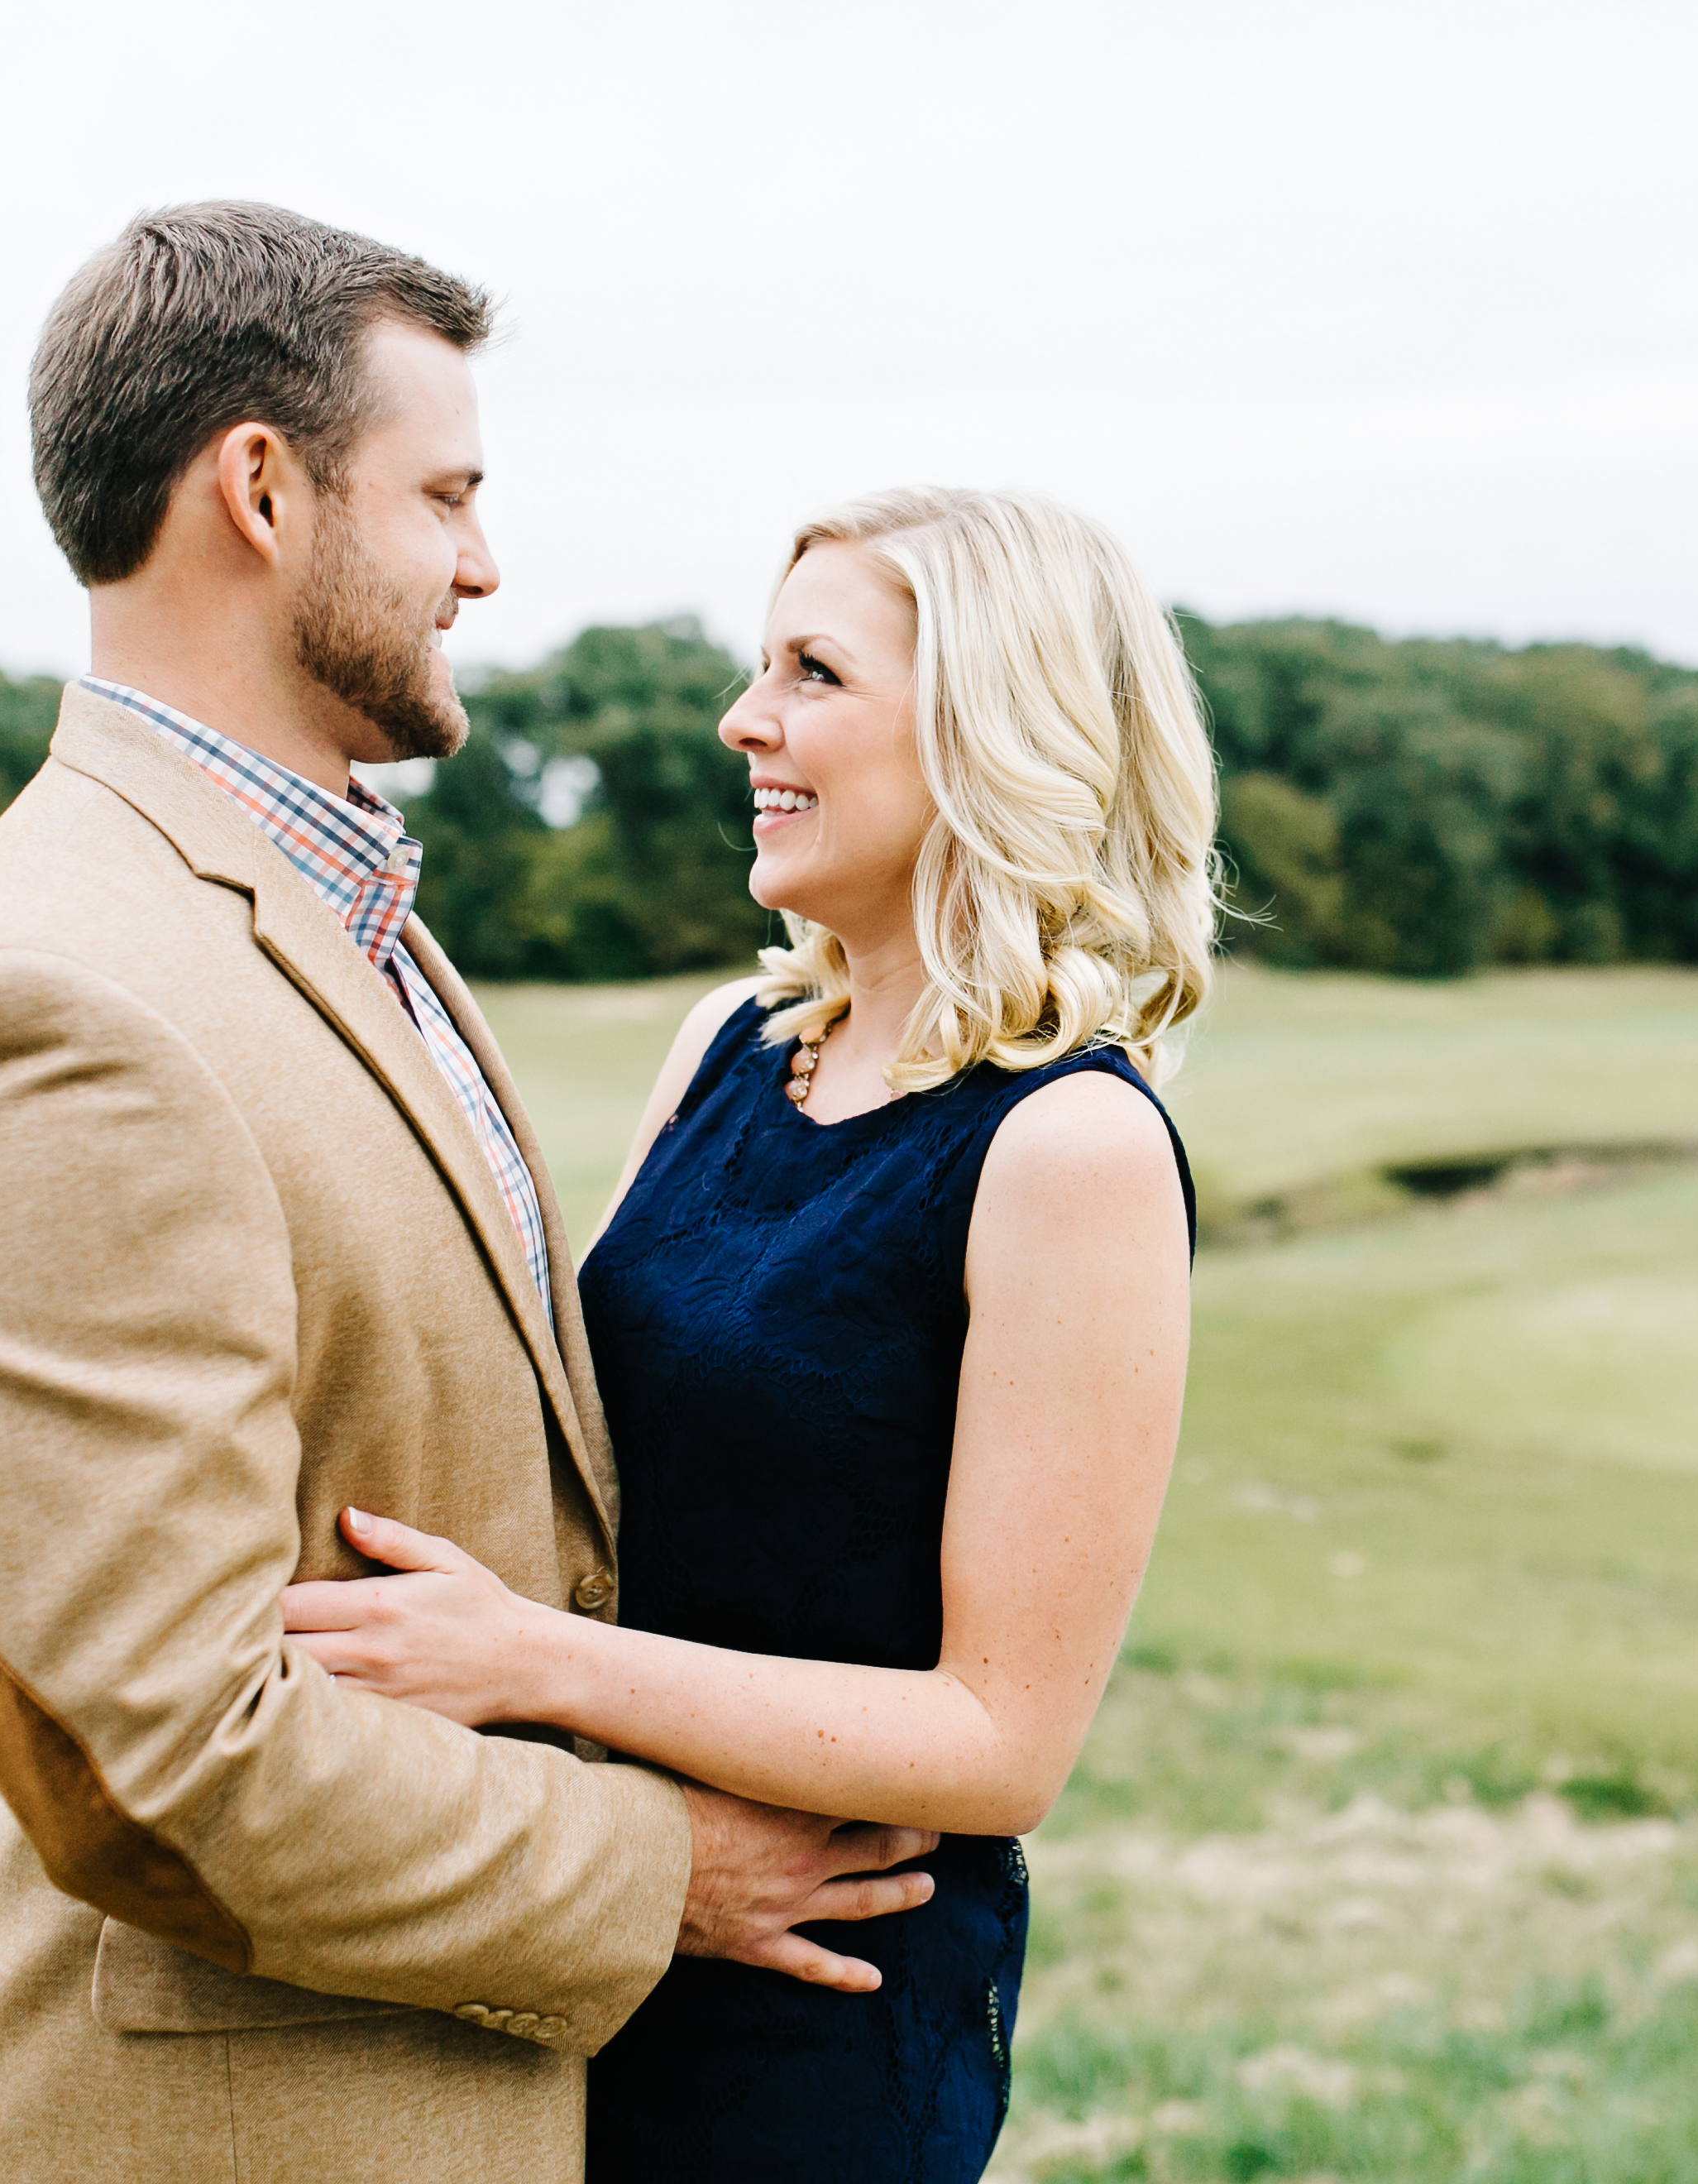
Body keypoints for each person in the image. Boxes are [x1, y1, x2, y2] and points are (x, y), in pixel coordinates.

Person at [0, 203, 930, 2184]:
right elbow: (148, 1753)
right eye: (447, 495)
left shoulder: (334, 911)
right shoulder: (55, 990)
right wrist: (660, 1865)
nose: (486, 565)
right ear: (260, 487)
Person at [278, 486, 1216, 2179]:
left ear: (989, 730)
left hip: (810, 2008)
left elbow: (1003, 1742)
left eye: (814, 673)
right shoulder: (727, 1042)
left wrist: (534, 1661)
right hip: (591, 1935)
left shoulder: (1067, 1149)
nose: (743, 720)